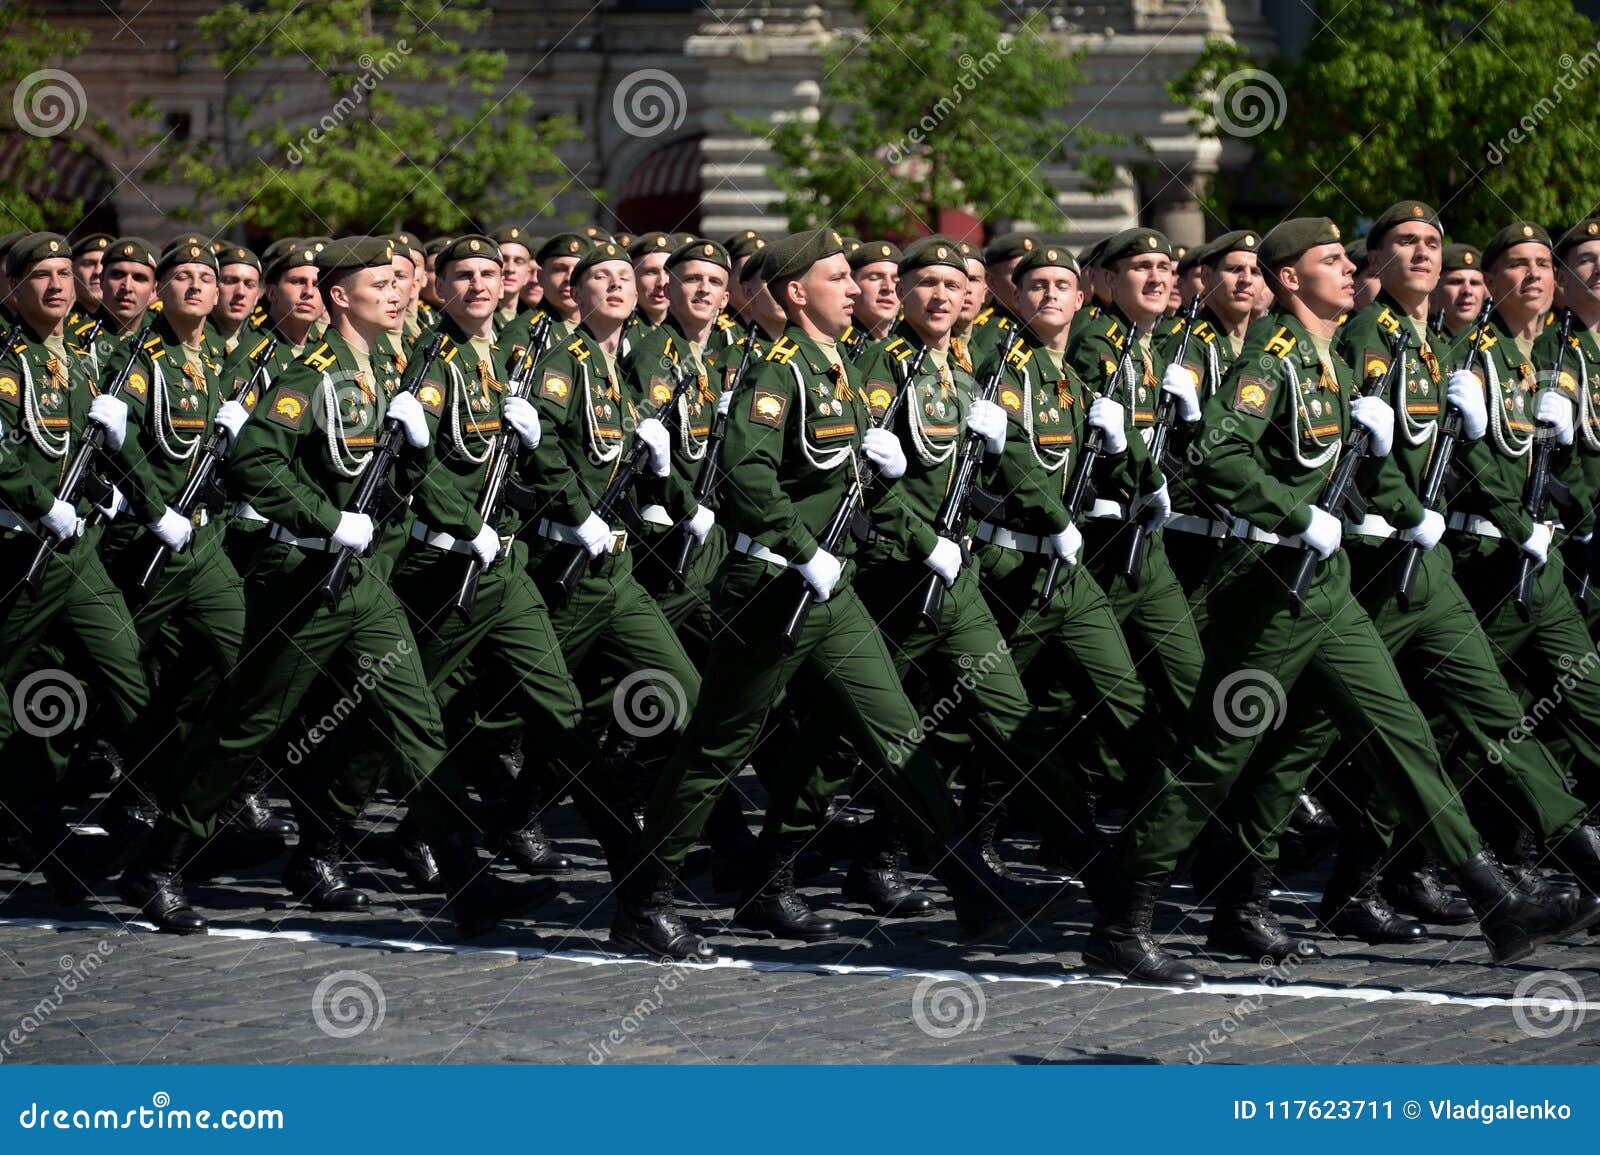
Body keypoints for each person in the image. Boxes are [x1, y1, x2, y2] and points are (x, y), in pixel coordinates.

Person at [1086, 217, 1600, 988]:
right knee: (1214, 757)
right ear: (1291, 278)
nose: (1346, 266)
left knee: (1401, 736)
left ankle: (1496, 898)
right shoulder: (1277, 357)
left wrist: (1388, 487)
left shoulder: (1330, 362)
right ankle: (1120, 920)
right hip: (1268, 587)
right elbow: (1214, 455)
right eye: (1330, 259)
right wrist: (1297, 516)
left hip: (1324, 588)